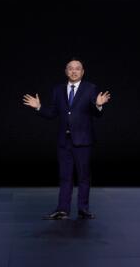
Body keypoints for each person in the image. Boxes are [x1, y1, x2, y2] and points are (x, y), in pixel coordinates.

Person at [23, 58, 111, 220]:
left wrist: (99, 105)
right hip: (64, 141)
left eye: (77, 68)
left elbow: (96, 114)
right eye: (70, 68)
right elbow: (52, 113)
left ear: (82, 72)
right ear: (66, 71)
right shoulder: (58, 90)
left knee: (83, 176)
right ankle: (62, 210)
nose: (74, 71)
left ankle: (83, 209)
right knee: (65, 176)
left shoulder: (90, 88)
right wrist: (39, 107)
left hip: (83, 141)